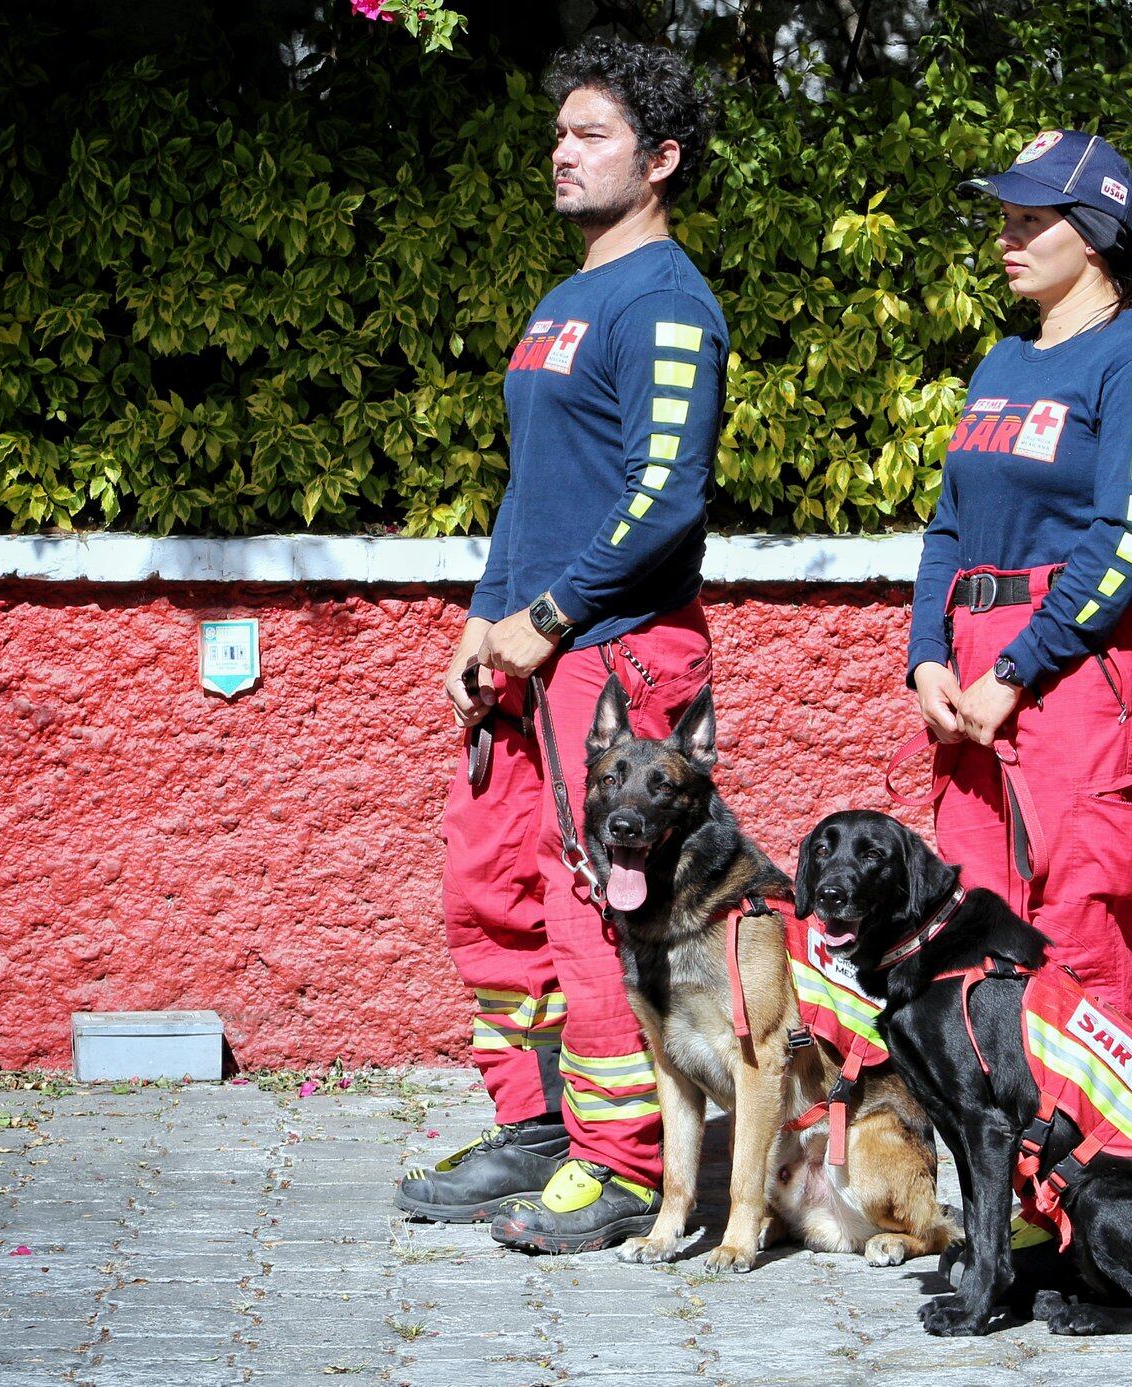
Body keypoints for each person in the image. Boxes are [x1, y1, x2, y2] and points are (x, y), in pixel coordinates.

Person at [394, 37, 726, 1255]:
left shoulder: (667, 302)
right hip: (528, 652)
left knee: (596, 904)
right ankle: (535, 1129)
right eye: (560, 131)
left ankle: (625, 1165)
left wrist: (549, 618)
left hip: (616, 652)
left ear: (661, 159)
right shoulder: (560, 304)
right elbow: (534, 487)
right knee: (488, 888)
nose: (563, 150)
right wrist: (488, 615)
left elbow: (664, 495)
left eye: (591, 133)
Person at [900, 129, 1132, 1033]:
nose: (1009, 238)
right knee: (979, 937)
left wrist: (1017, 669)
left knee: (1080, 944)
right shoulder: (1001, 364)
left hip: (1077, 676)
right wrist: (926, 661)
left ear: (1098, 234)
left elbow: (1120, 543)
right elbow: (949, 525)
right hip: (972, 679)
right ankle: (1016, 1173)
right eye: (1005, 220)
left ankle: (1102, 1172)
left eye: (1033, 220)